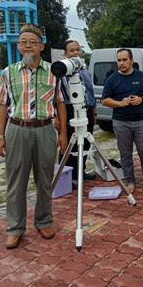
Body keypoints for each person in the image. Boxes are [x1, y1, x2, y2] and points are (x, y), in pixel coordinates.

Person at [0, 24, 68, 249]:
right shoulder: (8, 72)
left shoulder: (54, 73)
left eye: (32, 42)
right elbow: (1, 106)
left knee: (45, 180)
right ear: (18, 46)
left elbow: (60, 103)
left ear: (41, 46)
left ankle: (44, 221)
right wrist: (0, 136)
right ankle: (15, 228)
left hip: (45, 130)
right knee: (16, 182)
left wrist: (63, 132)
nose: (27, 45)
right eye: (23, 41)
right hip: (17, 129)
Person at [101, 48, 143, 193]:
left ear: (131, 61)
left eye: (124, 60)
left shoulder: (142, 77)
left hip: (140, 121)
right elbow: (104, 101)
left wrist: (142, 99)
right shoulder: (112, 79)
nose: (121, 63)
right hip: (121, 122)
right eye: (119, 60)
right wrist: (120, 103)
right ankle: (129, 181)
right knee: (125, 154)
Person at [58, 40, 97, 186]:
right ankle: (67, 176)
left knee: (85, 143)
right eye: (71, 50)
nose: (75, 53)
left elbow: (90, 91)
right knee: (69, 145)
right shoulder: (62, 71)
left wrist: (93, 112)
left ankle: (80, 172)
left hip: (86, 109)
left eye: (77, 50)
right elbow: (58, 97)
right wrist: (58, 118)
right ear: (65, 53)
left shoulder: (84, 69)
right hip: (69, 111)